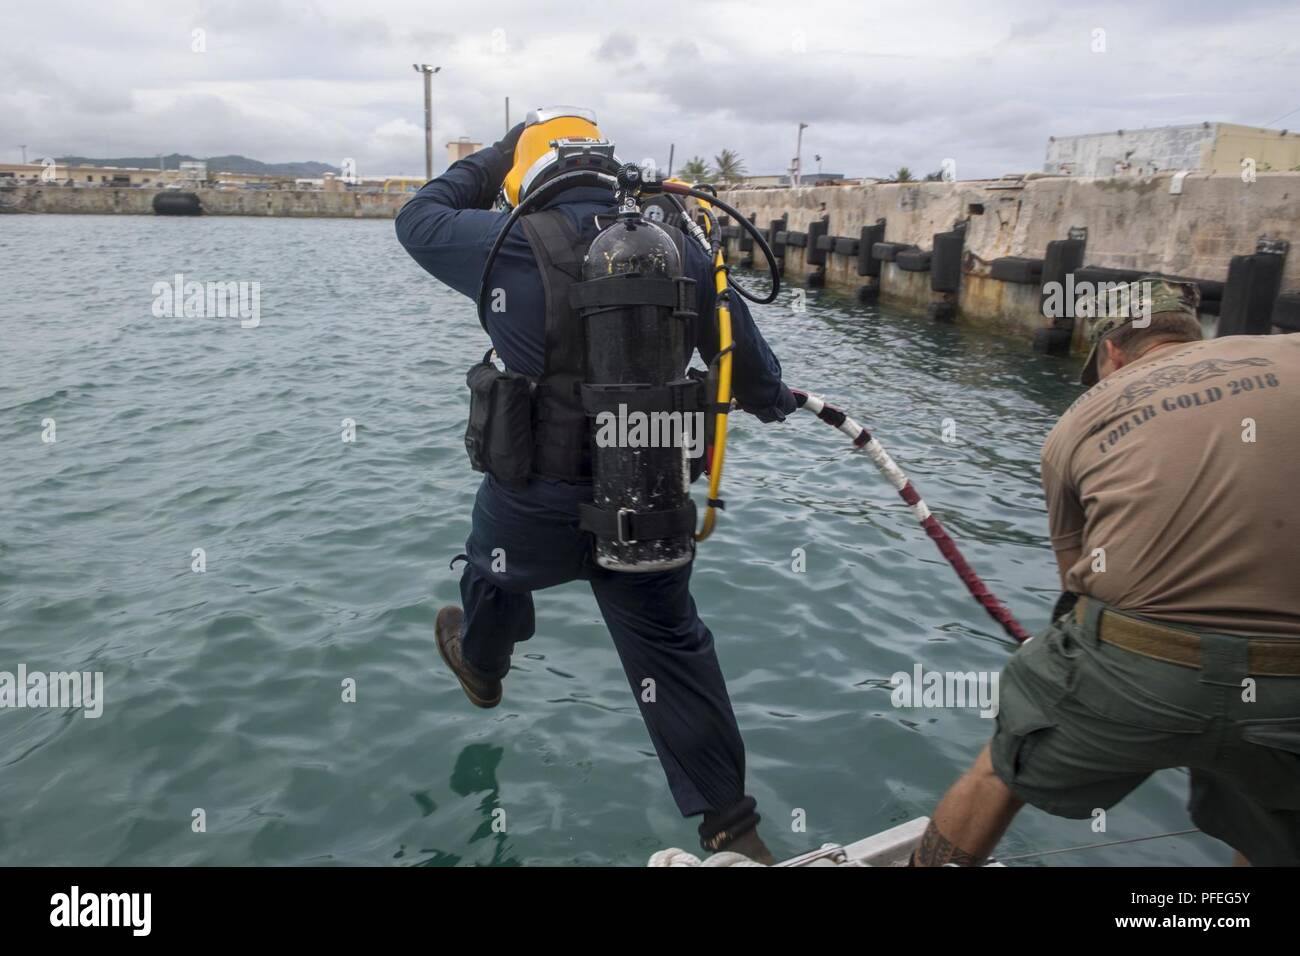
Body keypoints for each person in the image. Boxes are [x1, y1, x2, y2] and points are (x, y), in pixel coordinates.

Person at [395, 107, 796, 863]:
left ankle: (483, 667)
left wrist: (496, 151)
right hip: (645, 496)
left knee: (491, 573)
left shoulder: (506, 240)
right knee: (675, 650)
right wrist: (776, 401)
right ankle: (731, 831)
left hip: (532, 501)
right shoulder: (675, 246)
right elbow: (749, 364)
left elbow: (418, 217)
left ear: (530, 177)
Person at [912, 277, 1300, 866]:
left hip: (1135, 668)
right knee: (1270, 825)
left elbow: (1078, 585)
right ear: (1192, 332)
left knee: (1000, 771)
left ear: (1113, 352)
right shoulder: (1289, 353)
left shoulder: (1076, 422)